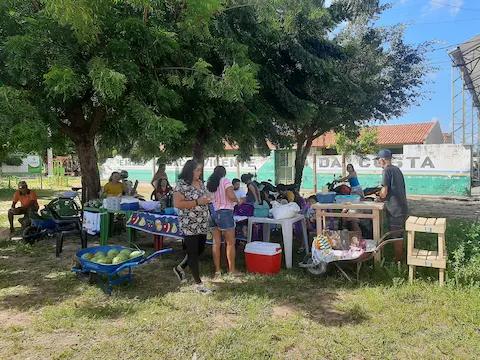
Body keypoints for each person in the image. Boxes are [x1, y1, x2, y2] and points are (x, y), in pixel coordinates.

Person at [173, 159, 213, 294]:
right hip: (189, 224)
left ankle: (180, 267)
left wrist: (208, 198)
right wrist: (197, 201)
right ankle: (198, 284)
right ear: (190, 170)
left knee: (200, 249)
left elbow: (205, 196)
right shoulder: (181, 185)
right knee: (193, 253)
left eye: (200, 170)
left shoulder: (200, 183)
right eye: (198, 170)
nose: (200, 173)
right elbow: (178, 204)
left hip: (202, 222)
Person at [376, 149, 408, 262]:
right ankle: (399, 258)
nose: (378, 162)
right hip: (402, 207)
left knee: (396, 235)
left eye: (378, 160)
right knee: (398, 234)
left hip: (395, 209)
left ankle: (398, 261)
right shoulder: (397, 169)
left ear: (382, 160)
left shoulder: (386, 171)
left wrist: (378, 197)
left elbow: (384, 192)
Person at [207, 166, 239, 276]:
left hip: (212, 213)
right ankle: (232, 270)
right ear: (224, 173)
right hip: (225, 212)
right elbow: (230, 195)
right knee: (230, 243)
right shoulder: (225, 181)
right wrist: (238, 200)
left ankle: (217, 270)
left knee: (216, 243)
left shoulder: (210, 184)